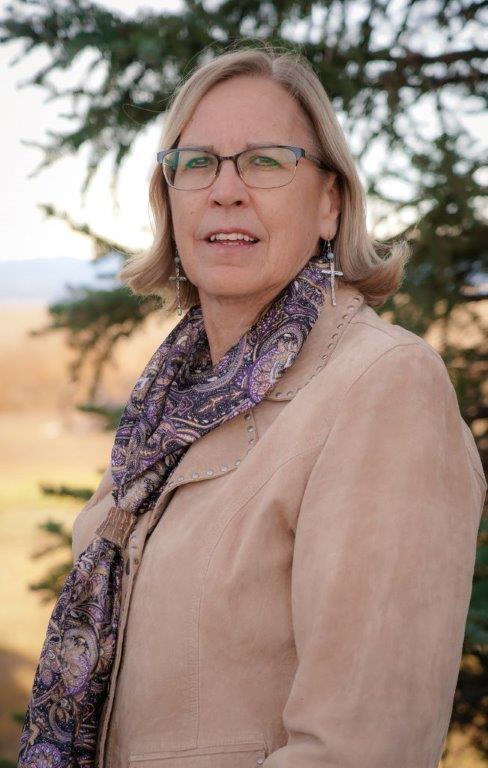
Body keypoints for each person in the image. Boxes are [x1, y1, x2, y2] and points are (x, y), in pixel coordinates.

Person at [19, 42, 486, 768]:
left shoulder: (384, 387)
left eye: (267, 161)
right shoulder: (167, 409)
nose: (225, 189)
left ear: (331, 202)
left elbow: (359, 750)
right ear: (168, 199)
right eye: (196, 162)